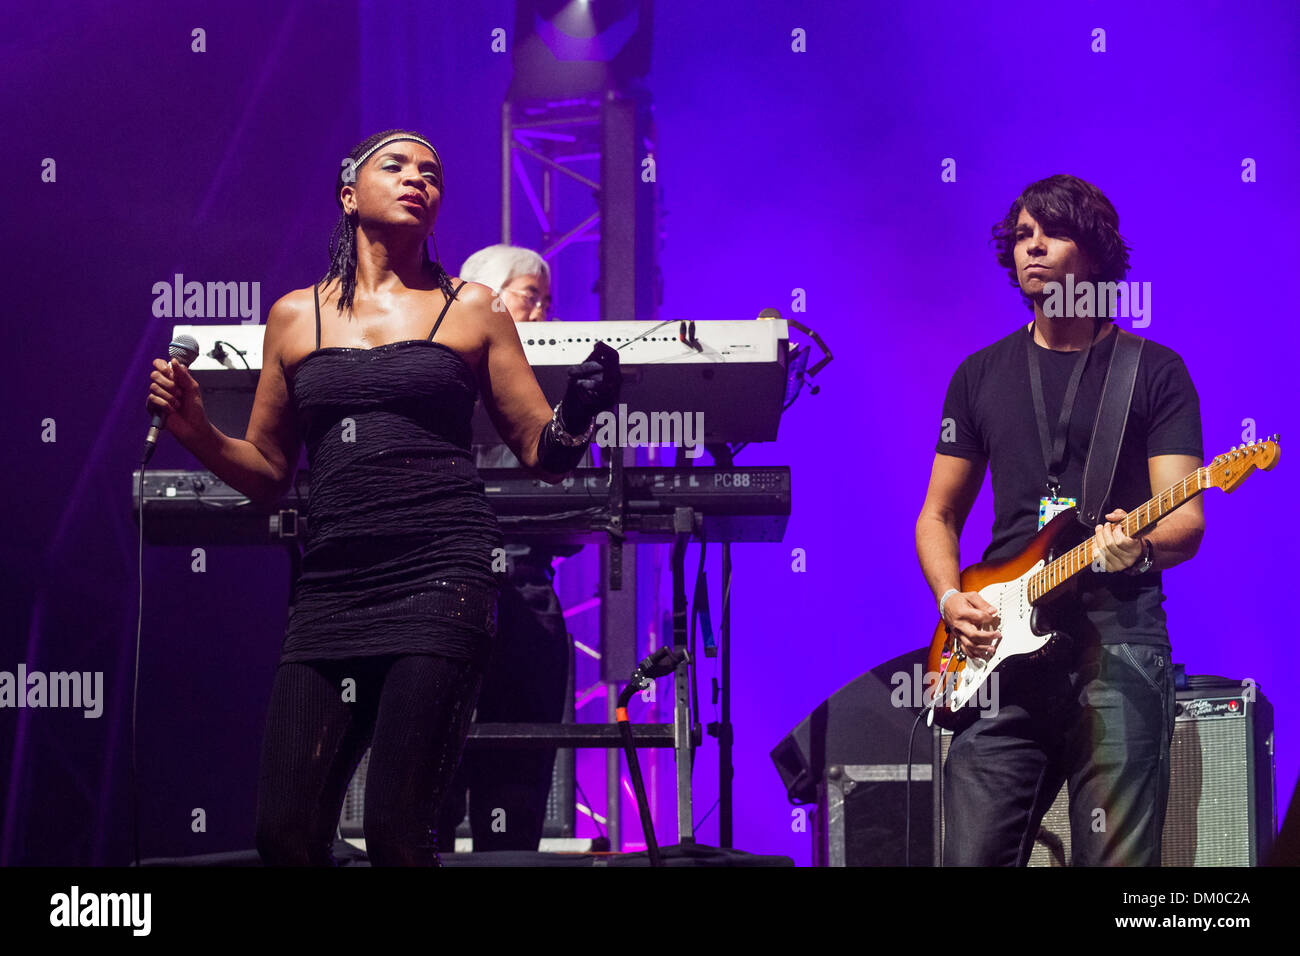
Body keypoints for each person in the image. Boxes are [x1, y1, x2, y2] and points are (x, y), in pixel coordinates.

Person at [144, 129, 620, 866]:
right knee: (287, 834)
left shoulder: (473, 308)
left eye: (431, 172)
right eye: (394, 166)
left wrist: (582, 411)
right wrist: (198, 431)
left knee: (400, 835)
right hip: (331, 589)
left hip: (440, 576)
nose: (416, 179)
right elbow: (270, 469)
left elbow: (544, 454)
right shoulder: (295, 316)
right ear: (347, 195)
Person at [915, 174, 1204, 866]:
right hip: (999, 656)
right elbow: (938, 515)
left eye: (1052, 231)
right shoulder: (979, 375)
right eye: (1021, 235)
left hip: (1117, 644)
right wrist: (951, 597)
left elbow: (1185, 518)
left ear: (1096, 254)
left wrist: (1137, 548)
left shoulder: (1154, 372)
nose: (1032, 247)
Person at [434, 243, 581, 853]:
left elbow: (576, 518)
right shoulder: (438, 373)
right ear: (487, 298)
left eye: (549, 300)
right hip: (439, 588)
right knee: (430, 773)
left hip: (526, 587)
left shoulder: (553, 389)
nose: (544, 311)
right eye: (531, 296)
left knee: (519, 772)